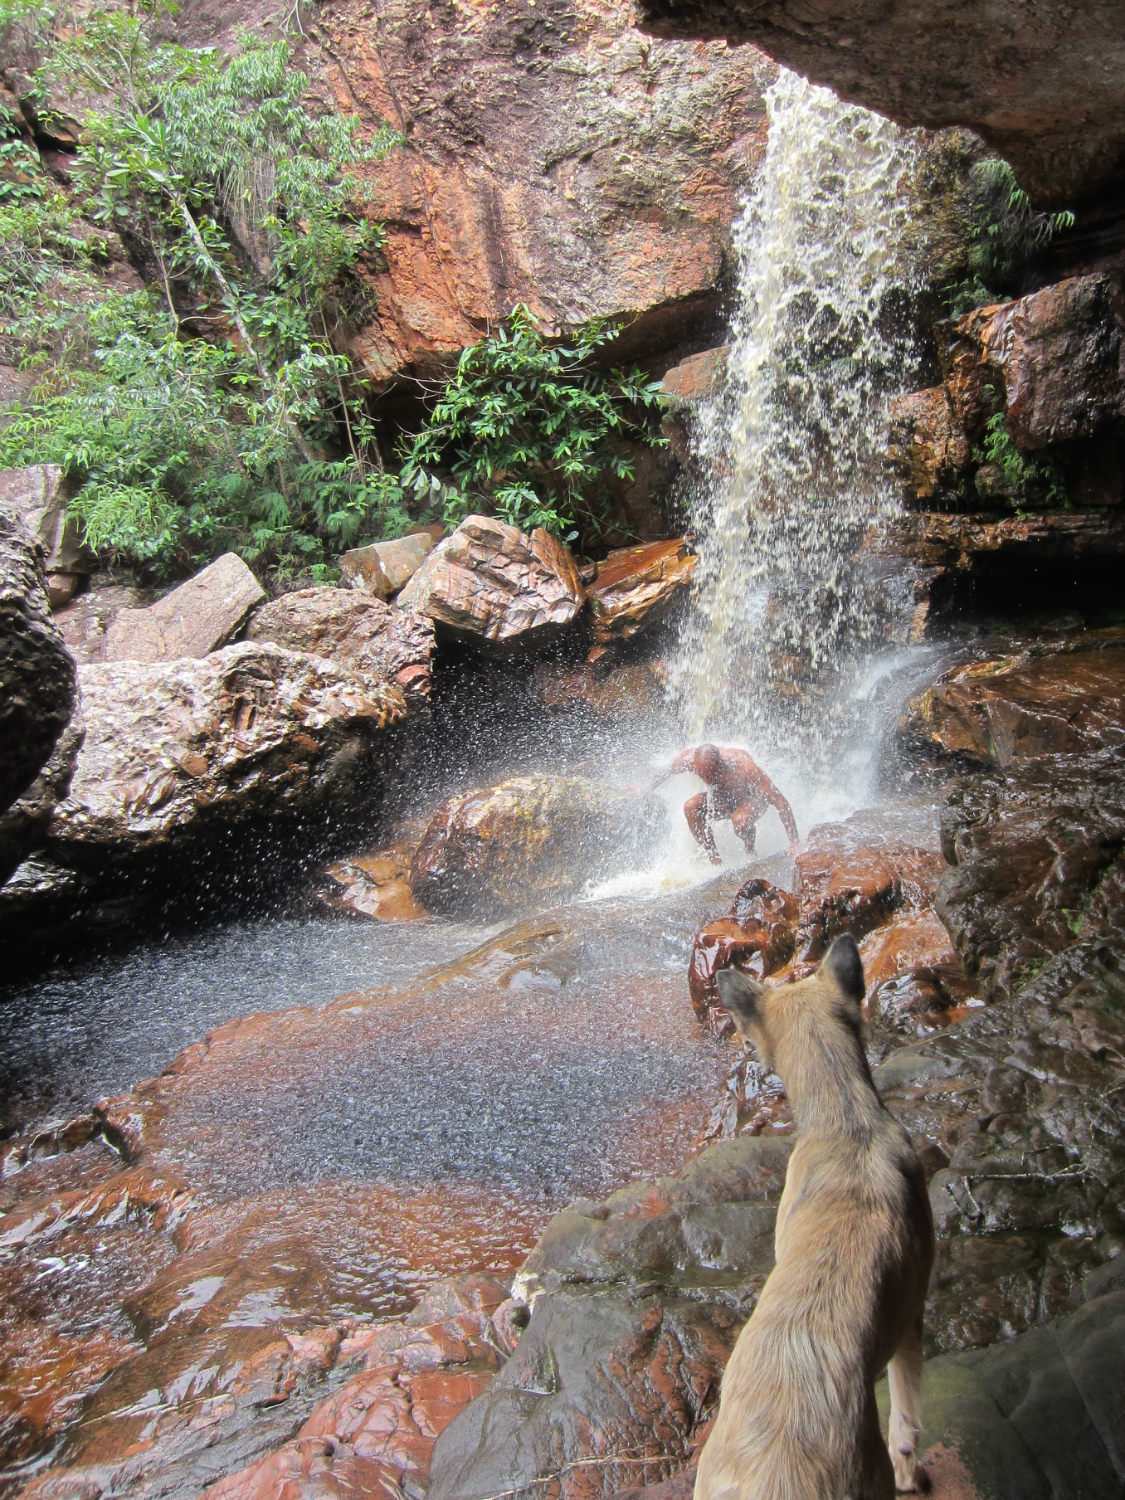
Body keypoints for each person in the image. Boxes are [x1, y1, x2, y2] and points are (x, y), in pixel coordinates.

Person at [651, 743, 798, 864]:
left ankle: (750, 850)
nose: (707, 780)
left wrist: (794, 842)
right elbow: (667, 770)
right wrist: (645, 789)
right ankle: (715, 860)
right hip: (721, 799)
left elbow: (780, 801)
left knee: (740, 822)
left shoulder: (743, 768)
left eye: (711, 774)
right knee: (690, 807)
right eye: (702, 775)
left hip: (752, 799)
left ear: (720, 763)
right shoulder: (689, 760)